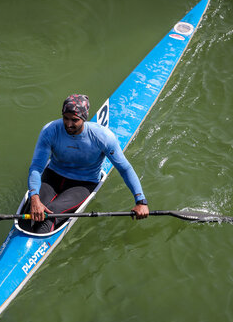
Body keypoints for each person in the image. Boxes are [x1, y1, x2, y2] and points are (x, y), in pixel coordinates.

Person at [27, 94, 149, 233]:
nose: (68, 124)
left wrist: (141, 201)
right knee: (31, 214)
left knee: (51, 215)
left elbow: (125, 169)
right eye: (65, 118)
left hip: (83, 183)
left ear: (84, 118)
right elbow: (36, 167)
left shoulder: (102, 137)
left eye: (74, 120)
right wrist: (34, 198)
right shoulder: (50, 130)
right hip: (53, 176)